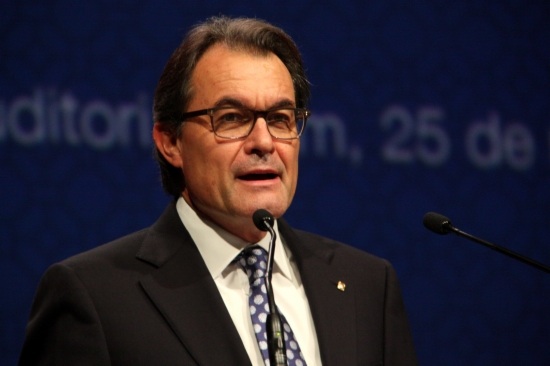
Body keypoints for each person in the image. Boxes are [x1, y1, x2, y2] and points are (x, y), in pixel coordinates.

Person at [19, 16, 417, 365]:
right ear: (170, 142)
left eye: (281, 118)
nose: (263, 141)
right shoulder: (94, 297)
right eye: (231, 118)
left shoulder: (367, 285)